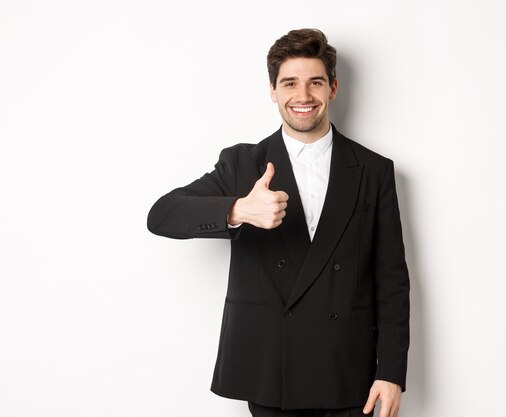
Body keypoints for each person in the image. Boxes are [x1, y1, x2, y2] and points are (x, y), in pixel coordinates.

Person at [147, 28, 410, 417]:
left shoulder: (373, 170)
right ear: (272, 90)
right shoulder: (242, 164)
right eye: (289, 83)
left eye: (315, 82)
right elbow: (162, 214)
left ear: (333, 88)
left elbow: (391, 279)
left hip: (349, 373)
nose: (303, 96)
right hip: (272, 370)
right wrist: (237, 210)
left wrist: (391, 373)